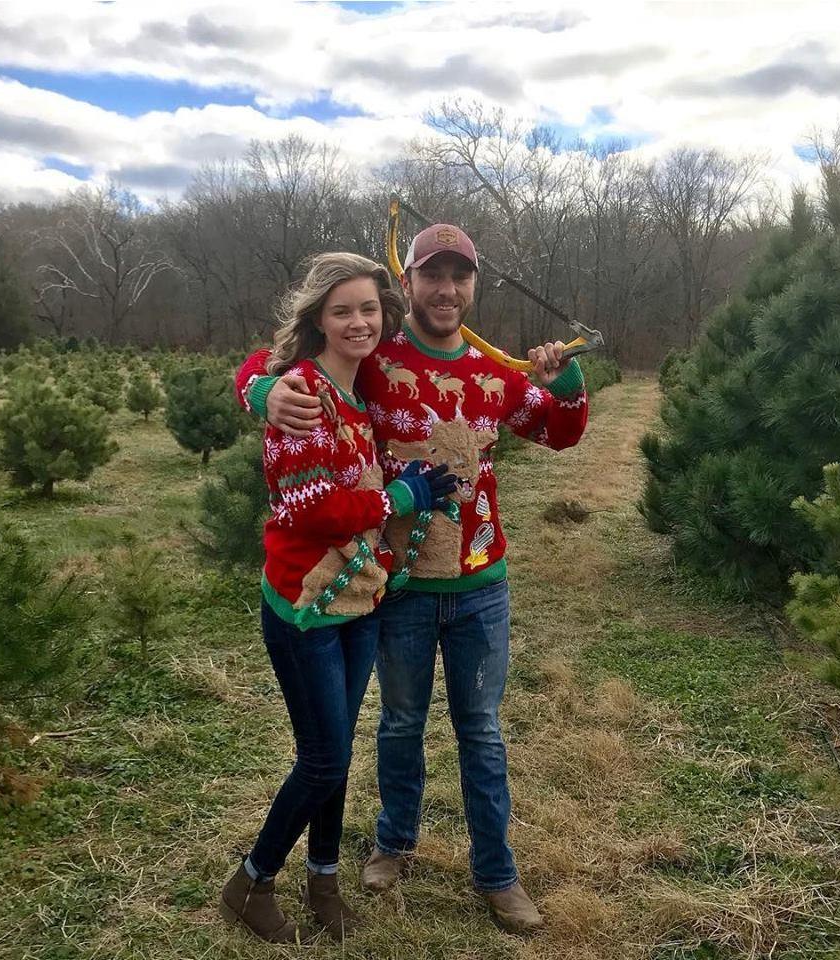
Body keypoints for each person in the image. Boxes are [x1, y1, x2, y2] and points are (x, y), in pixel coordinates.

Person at [235, 225, 589, 935]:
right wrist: (264, 390)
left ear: (473, 286)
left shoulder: (496, 374)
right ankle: (394, 842)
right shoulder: (380, 359)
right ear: (412, 283)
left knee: (481, 731)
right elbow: (278, 360)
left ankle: (497, 873)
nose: (446, 289)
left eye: (460, 276)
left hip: (481, 584)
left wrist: (568, 382)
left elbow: (559, 432)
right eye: (433, 274)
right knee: (399, 723)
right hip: (397, 586)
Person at [221, 252, 456, 943]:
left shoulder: (360, 385)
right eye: (342, 310)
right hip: (304, 606)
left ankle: (323, 876)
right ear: (318, 320)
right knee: (322, 758)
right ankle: (253, 879)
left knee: (335, 751)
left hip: (357, 600)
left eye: (369, 309)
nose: (359, 321)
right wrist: (398, 496)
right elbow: (310, 505)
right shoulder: (301, 391)